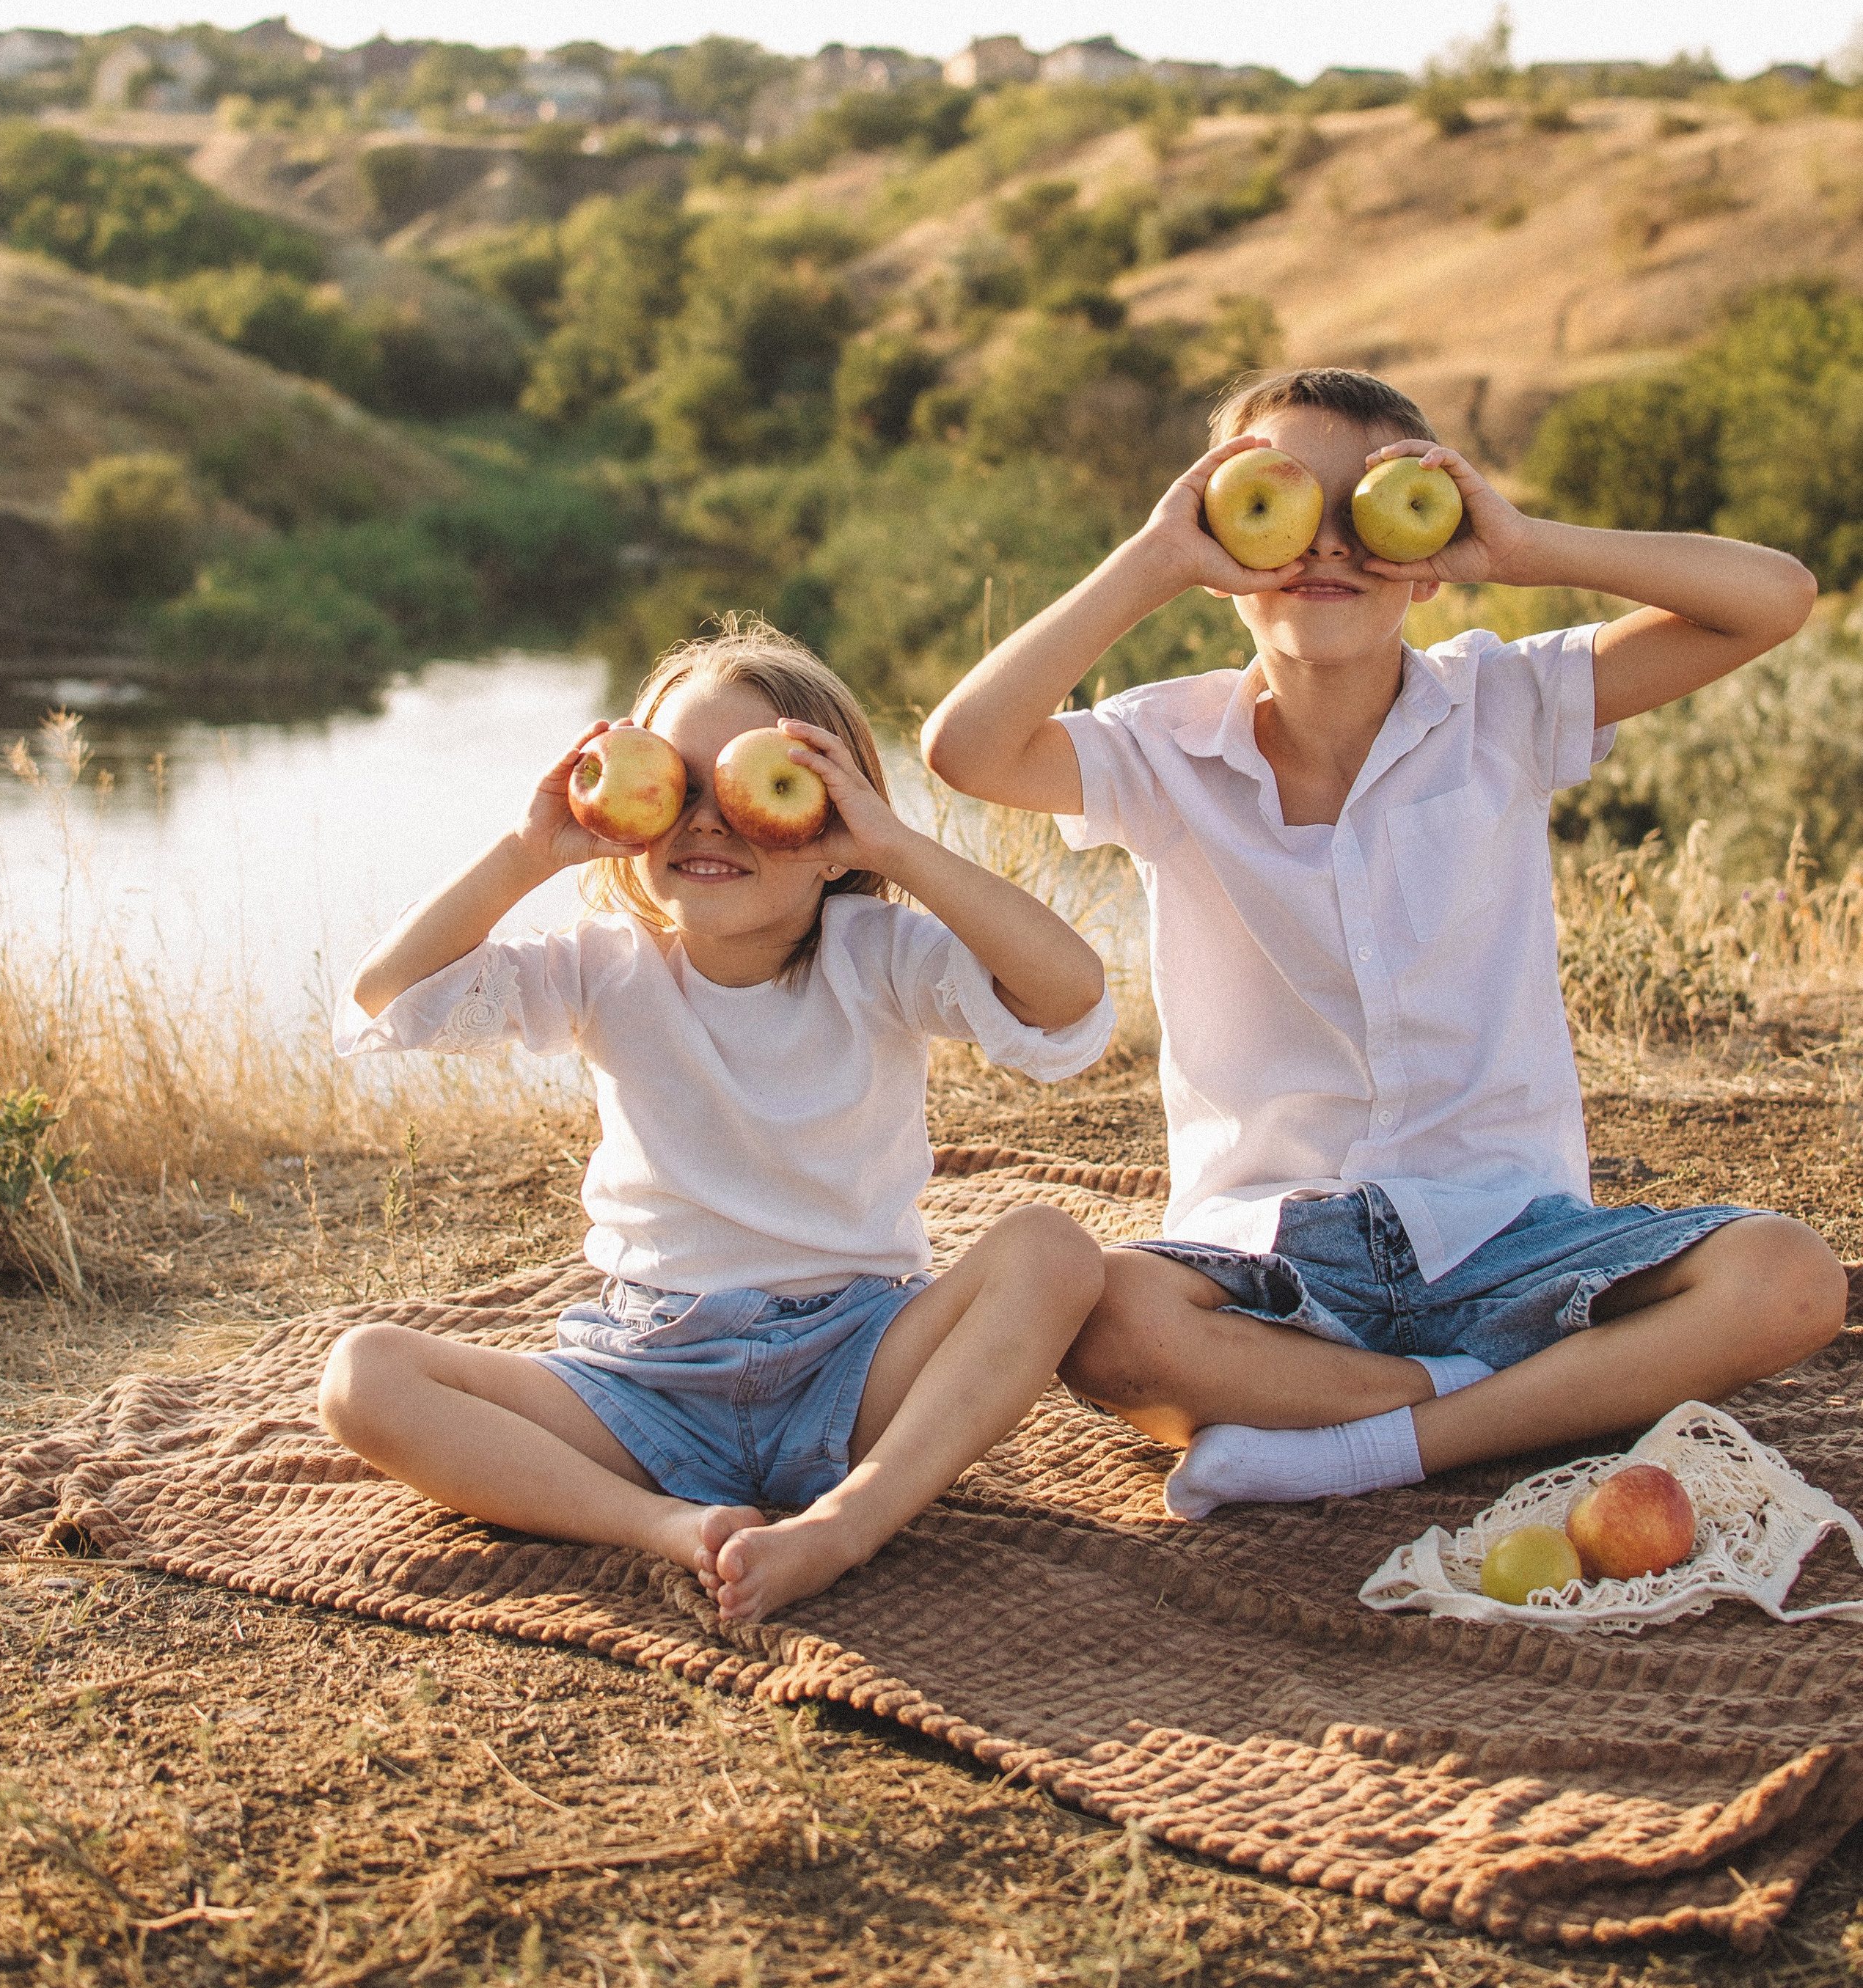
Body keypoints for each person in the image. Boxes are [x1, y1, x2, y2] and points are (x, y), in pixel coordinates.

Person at [920, 365, 1847, 1516]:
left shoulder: (1506, 703)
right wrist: (1156, 558)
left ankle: (1368, 1440)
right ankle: (1486, 1399)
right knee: (1109, 1320)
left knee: (1792, 1282)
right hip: (1271, 1255)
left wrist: (1520, 546)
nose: (1329, 543)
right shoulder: (1165, 748)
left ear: (1431, 538)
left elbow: (1774, 597)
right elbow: (963, 749)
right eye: (1281, 503)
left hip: (1507, 1230)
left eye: (1371, 506)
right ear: (1221, 532)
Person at [322, 620, 1113, 1620]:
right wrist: (529, 851)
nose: (707, 819)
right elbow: (388, 1000)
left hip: (856, 1359)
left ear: (837, 827)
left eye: (753, 786)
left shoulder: (876, 955)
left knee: (1052, 1251)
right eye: (676, 786)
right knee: (366, 1378)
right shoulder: (605, 965)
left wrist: (898, 847)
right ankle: (668, 1526)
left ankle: (847, 1523)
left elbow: (1068, 995)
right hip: (647, 1380)